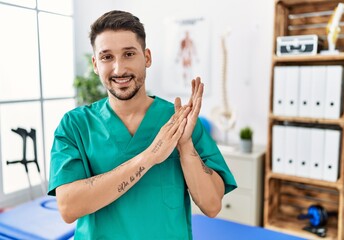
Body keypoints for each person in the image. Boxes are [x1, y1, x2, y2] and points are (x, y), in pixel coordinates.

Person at [48, 10, 237, 240]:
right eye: (107, 57)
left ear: (146, 57)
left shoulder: (179, 120)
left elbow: (212, 205)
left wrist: (185, 146)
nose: (119, 69)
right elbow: (68, 207)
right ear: (96, 64)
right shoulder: (75, 125)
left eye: (129, 54)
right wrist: (149, 157)